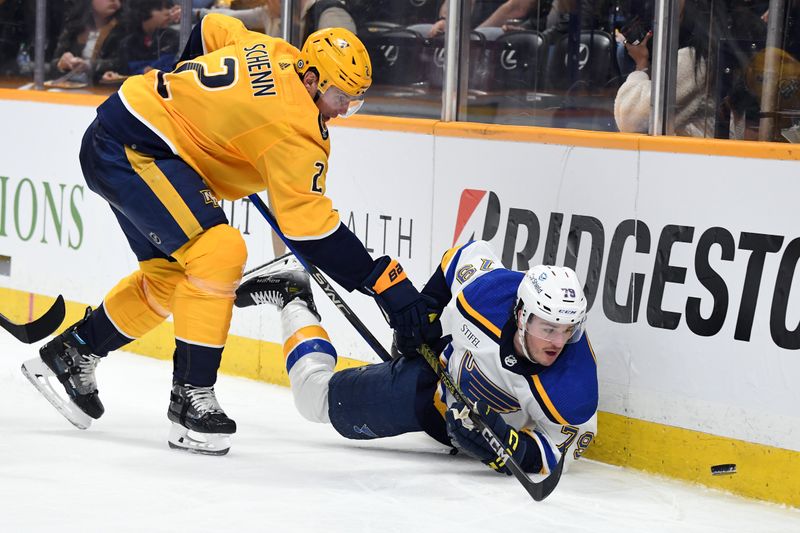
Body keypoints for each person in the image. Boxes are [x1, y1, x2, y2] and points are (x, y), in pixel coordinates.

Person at [21, 14, 434, 456]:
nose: (341, 112)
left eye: (354, 102)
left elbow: (208, 26)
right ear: (311, 78)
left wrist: (187, 98)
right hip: (134, 150)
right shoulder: (296, 131)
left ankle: (72, 353)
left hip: (124, 131)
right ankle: (190, 399)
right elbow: (309, 228)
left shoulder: (276, 51)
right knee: (219, 250)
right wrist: (382, 280)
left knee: (169, 279)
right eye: (338, 97)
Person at [235, 240, 598, 477]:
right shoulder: (489, 293)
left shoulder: (573, 389)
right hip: (427, 386)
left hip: (472, 426)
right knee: (312, 398)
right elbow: (461, 255)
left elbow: (554, 454)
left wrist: (506, 444)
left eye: (568, 330)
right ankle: (294, 297)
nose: (558, 341)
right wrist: (426, 312)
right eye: (548, 328)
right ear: (520, 315)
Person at [614, 0, 716, 136]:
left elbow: (630, 119)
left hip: (692, 153)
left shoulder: (694, 59)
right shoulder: (697, 54)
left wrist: (641, 63)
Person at [49, 0, 126, 84]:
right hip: (71, 87)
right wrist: (62, 63)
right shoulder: (74, 24)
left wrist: (89, 66)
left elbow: (122, 63)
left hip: (105, 89)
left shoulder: (124, 28)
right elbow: (53, 64)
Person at [105, 0, 181, 79]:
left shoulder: (175, 38)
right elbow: (123, 72)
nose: (168, 12)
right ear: (143, 11)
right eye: (159, 9)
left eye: (168, 7)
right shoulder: (128, 44)